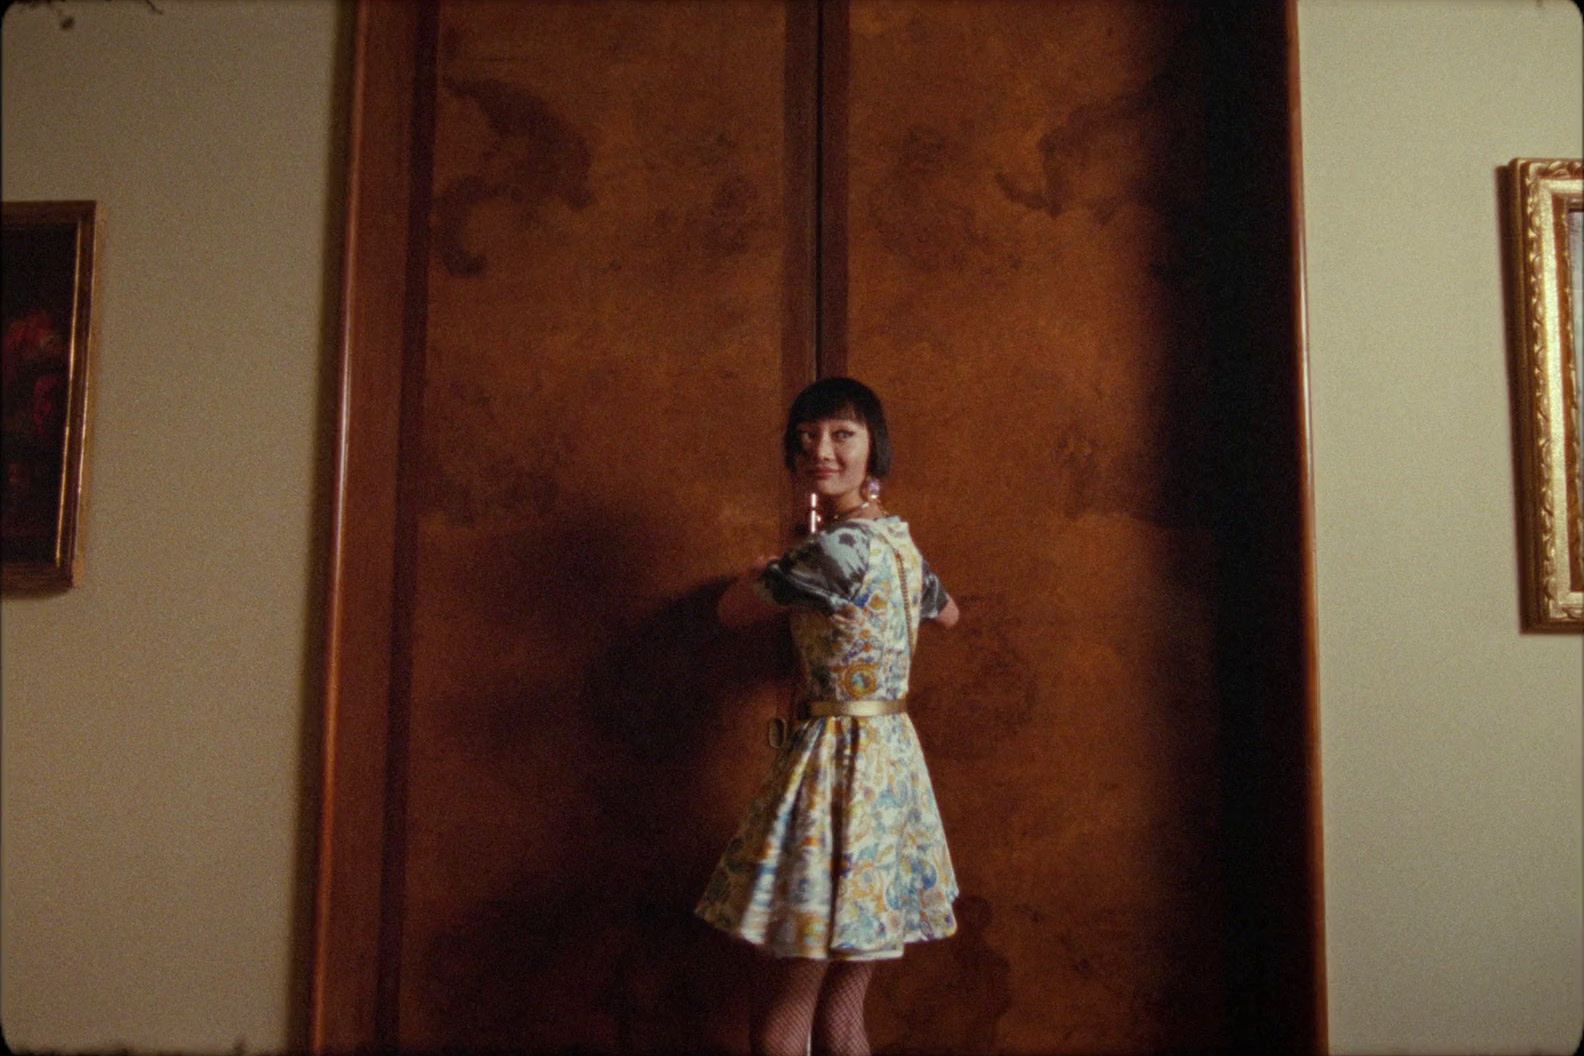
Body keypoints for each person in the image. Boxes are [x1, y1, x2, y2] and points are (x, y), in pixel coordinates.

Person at [696, 377, 960, 1056]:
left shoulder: (827, 553)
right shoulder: (901, 545)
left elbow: (730, 611)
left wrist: (770, 568)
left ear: (874, 451)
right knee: (843, 1013)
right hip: (893, 771)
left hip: (835, 772)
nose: (822, 449)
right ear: (793, 452)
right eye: (808, 436)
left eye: (842, 434)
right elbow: (948, 611)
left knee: (784, 1009)